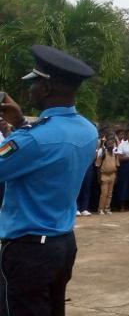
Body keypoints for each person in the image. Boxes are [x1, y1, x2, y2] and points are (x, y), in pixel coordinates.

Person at [0, 45, 98, 315]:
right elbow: (46, 154)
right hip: (62, 243)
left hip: (27, 249)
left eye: (34, 84)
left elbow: (21, 155)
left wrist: (17, 132)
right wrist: (19, 125)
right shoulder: (88, 130)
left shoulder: (31, 139)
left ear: (46, 89)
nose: (30, 91)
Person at [96, 135, 120, 215]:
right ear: (106, 144)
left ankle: (107, 208)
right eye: (109, 144)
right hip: (104, 174)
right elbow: (98, 165)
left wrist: (116, 176)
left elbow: (117, 165)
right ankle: (101, 209)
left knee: (110, 193)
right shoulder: (102, 151)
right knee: (104, 193)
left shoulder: (115, 153)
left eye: (112, 144)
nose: (111, 145)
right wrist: (99, 177)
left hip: (112, 174)